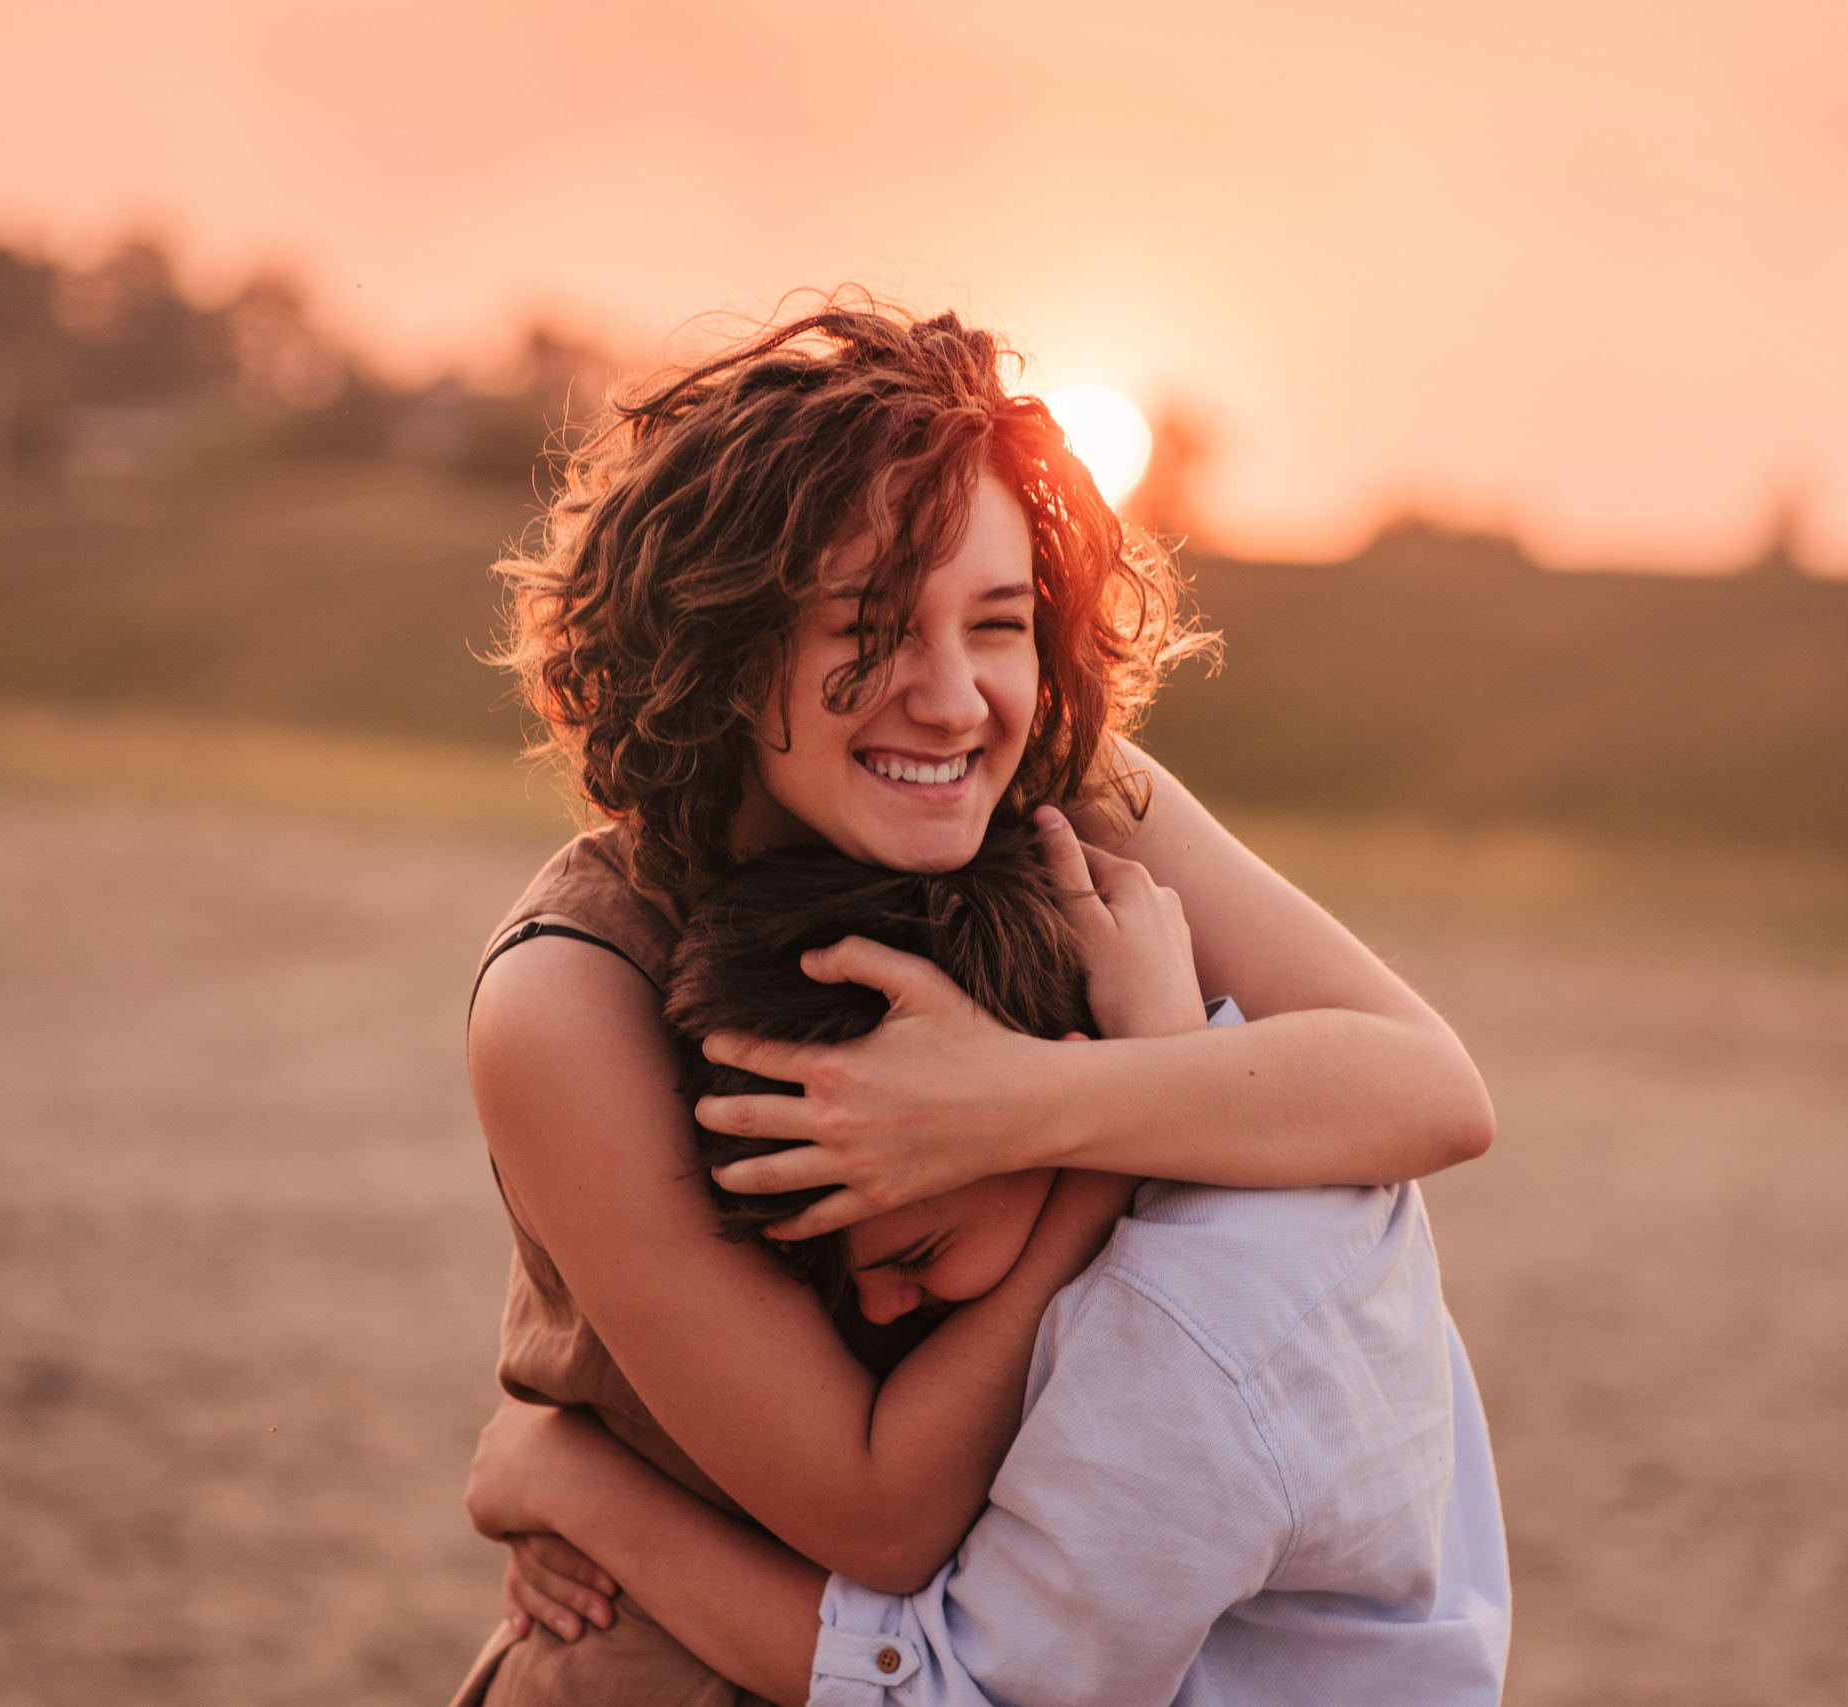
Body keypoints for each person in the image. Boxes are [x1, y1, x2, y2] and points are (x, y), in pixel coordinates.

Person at [453, 302, 1497, 1704]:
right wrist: (563, 1467)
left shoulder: (1071, 793)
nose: (951, 699)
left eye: (997, 623)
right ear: (722, 639)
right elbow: (876, 1516)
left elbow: (1429, 1090)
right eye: (872, 629)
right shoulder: (571, 991)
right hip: (698, 1664)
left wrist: (1031, 1104)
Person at [464, 825, 1510, 1706]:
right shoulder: (1282, 1110)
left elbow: (951, 1690)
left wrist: (581, 1486)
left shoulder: (1189, 1330)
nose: (877, 1308)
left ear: (1037, 1062)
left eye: (913, 1251)